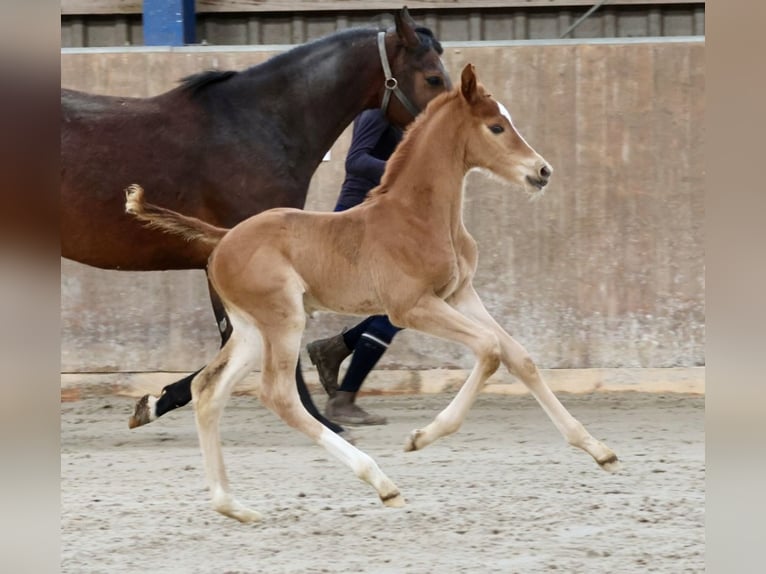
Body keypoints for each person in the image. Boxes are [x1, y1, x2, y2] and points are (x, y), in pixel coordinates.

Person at [307, 108, 405, 426]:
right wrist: (407, 170)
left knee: (408, 305)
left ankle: (335, 349)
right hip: (355, 222)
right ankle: (343, 399)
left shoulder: (404, 118)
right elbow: (356, 161)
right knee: (404, 304)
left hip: (381, 222)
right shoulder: (377, 112)